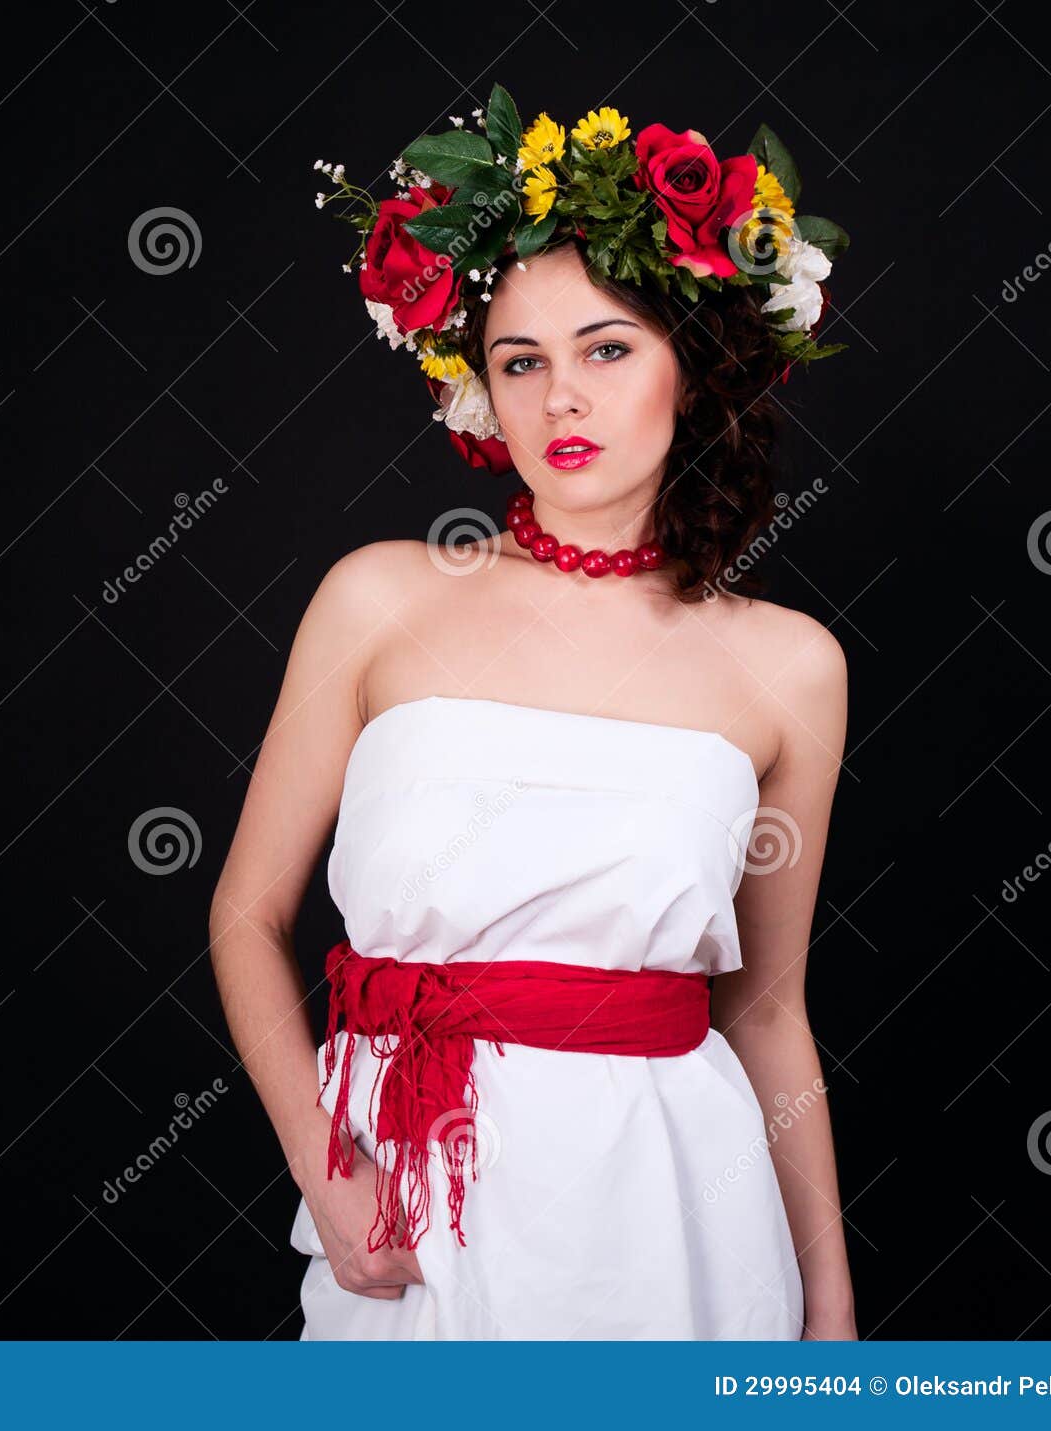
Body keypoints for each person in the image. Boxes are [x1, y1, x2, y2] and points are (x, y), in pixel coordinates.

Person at [208, 95, 857, 1340]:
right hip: (414, 1198)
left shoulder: (791, 668)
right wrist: (322, 1171)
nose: (562, 398)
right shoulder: (378, 596)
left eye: (607, 349)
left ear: (694, 364)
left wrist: (828, 1314)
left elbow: (766, 1010)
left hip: (676, 1217)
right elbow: (245, 915)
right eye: (522, 361)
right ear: (480, 389)